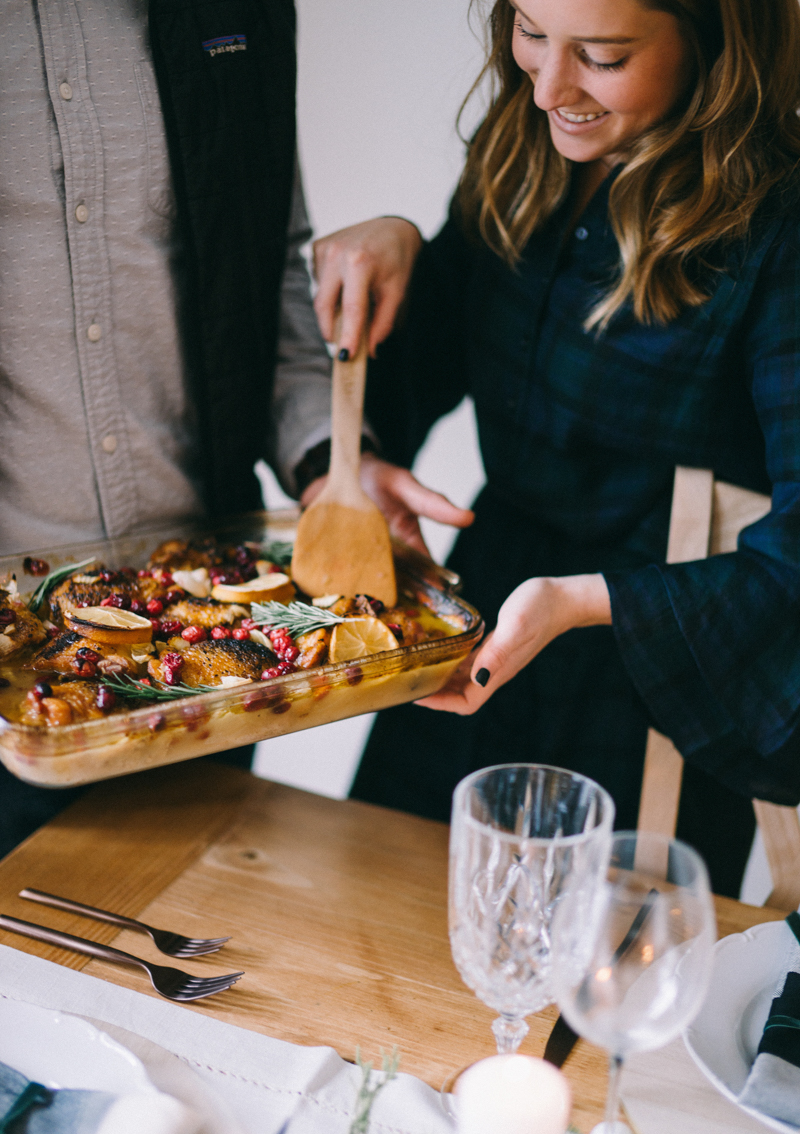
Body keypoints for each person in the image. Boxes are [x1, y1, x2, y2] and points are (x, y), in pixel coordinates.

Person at [319, 0, 800, 897]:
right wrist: (402, 251)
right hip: (480, 608)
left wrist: (583, 602)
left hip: (651, 666)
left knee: (575, 1013)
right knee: (369, 925)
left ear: (712, 36)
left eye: (603, 56)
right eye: (530, 32)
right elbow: (443, 353)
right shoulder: (519, 145)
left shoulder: (779, 226)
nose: (547, 87)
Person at [0, 0, 467, 855]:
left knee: (187, 963)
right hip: (10, 657)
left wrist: (331, 468)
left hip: (206, 635)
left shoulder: (235, 9)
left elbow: (272, 274)